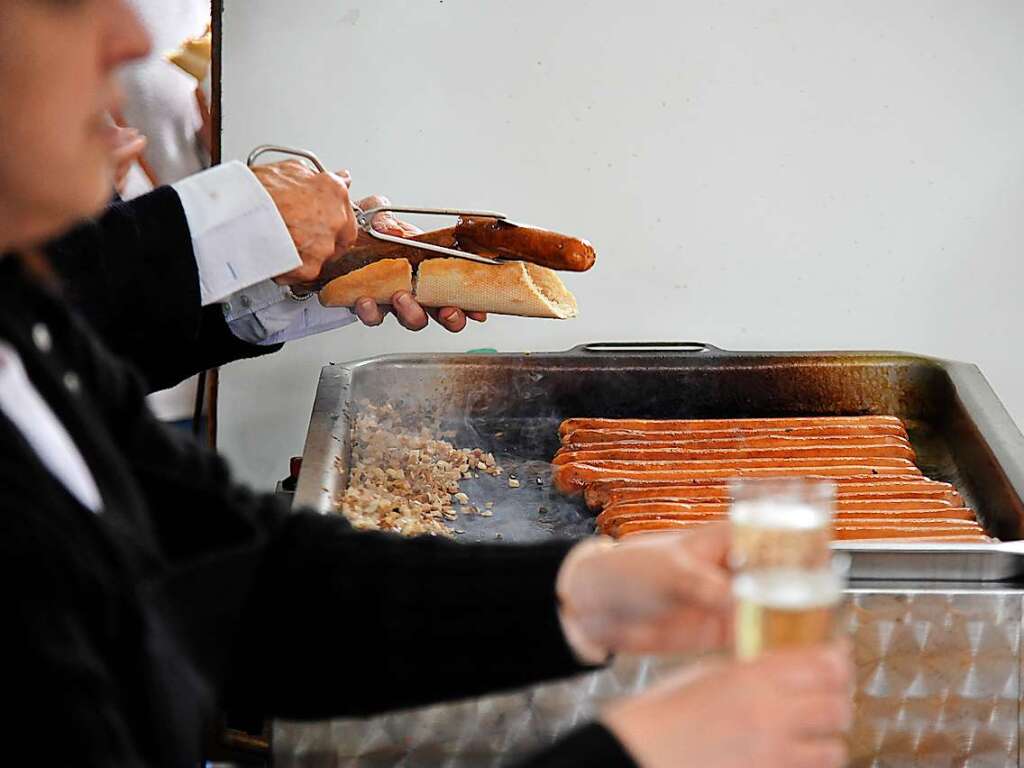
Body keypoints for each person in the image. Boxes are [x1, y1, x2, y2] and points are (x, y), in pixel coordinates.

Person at [0, 2, 853, 767]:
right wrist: (638, 754)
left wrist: (588, 596)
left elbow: (245, 579)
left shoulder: (26, 339)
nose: (133, 37)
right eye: (60, 1)